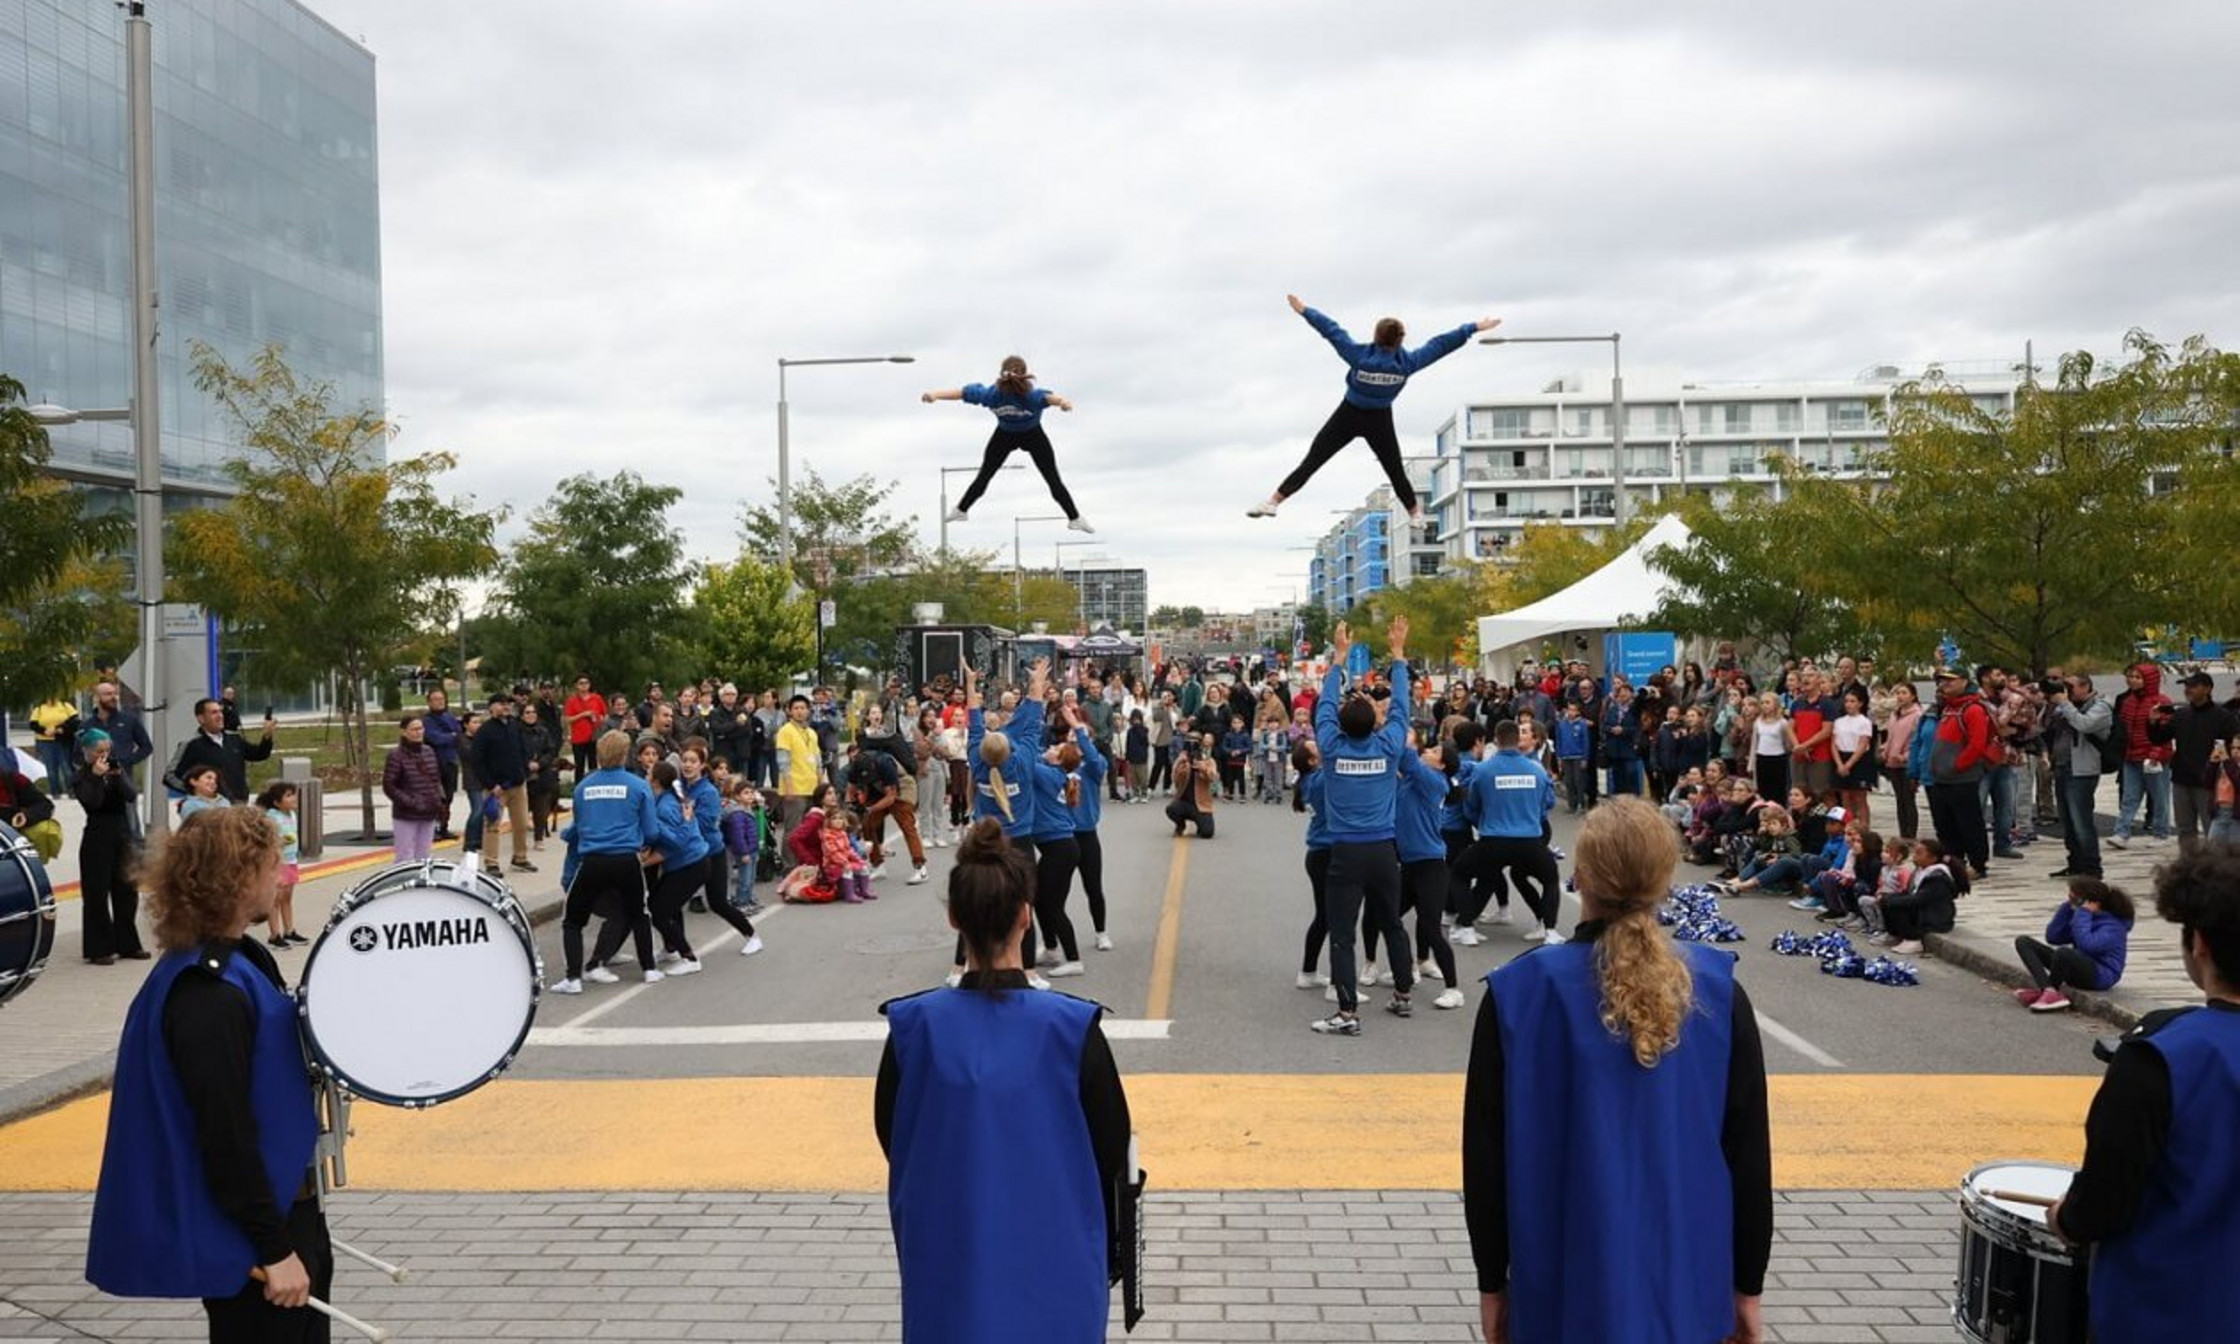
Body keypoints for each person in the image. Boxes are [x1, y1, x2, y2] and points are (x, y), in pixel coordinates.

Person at [1463, 797, 1771, 1344]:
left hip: (1561, 1281)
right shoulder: (1718, 994)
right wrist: (1747, 1284)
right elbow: (1748, 1156)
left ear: (1579, 877)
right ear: (1665, 881)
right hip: (1687, 1283)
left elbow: (1485, 1160)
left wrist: (1493, 1282)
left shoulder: (1518, 994)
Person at [875, 818, 1132, 1343]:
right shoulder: (1073, 1028)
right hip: (1056, 1256)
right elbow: (1114, 1154)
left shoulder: (912, 1027)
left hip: (948, 1256)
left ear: (953, 918)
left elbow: (895, 1137)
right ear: (1026, 915)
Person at [86, 805, 332, 1341]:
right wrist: (275, 1248)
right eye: (273, 865)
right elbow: (224, 1136)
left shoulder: (238, 959)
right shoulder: (207, 993)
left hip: (282, 1216)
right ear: (239, 876)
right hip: (257, 1237)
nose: (284, 876)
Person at [2048, 846, 2240, 1343]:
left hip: (2169, 1313)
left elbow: (2102, 1203)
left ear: (2199, 944)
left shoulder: (2158, 1056)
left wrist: (2066, 1217)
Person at [1248, 295, 1498, 521]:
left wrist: (1305, 311)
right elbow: (1441, 345)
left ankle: (1273, 501)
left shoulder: (1359, 356)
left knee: (1313, 461)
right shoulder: (1407, 363)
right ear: (1400, 340)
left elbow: (1332, 331)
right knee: (1394, 470)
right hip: (1379, 419)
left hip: (1348, 414)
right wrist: (1472, 328)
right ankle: (1415, 514)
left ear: (1376, 337)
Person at [1310, 618, 1416, 1035]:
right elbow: (1403, 706)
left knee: (1342, 934)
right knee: (1391, 922)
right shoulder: (1389, 746)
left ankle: (1348, 1012)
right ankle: (1404, 994)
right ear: (1374, 724)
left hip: (1345, 852)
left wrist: (1338, 658)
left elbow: (1323, 706)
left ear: (1339, 725)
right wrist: (1398, 654)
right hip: (1384, 850)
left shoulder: (1332, 748)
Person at [549, 730, 664, 995]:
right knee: (639, 913)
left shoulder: (583, 787)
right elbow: (651, 831)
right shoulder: (638, 786)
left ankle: (573, 978)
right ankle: (648, 969)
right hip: (626, 859)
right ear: (625, 755)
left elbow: (578, 826)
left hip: (593, 860)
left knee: (573, 920)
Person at [927, 356, 1093, 533]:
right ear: (1024, 374)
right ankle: (1074, 518)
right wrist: (1063, 403)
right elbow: (1051, 398)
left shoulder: (1011, 395)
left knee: (985, 475)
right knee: (1052, 480)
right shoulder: (997, 394)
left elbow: (961, 393)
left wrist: (935, 394)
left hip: (1021, 435)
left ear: (1001, 374)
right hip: (1016, 435)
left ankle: (961, 510)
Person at [71, 729, 147, 966]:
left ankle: (128, 943)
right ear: (87, 752)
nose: (104, 756)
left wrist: (118, 775)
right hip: (97, 835)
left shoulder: (115, 769)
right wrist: (95, 776)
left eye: (107, 751)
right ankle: (99, 947)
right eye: (99, 752)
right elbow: (92, 801)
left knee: (126, 890)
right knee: (96, 892)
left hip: (121, 833)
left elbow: (131, 795)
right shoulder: (81, 776)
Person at [2149, 670, 2237, 853]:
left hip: (2209, 782)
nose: (2188, 690)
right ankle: (2188, 869)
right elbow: (2159, 738)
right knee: (2185, 829)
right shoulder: (2181, 715)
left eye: (2193, 686)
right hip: (2181, 779)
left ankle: (2216, 870)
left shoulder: (2223, 717)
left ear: (2207, 689)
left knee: (2211, 830)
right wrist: (2153, 723)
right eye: (2186, 686)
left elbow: (2234, 746)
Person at [1926, 667, 1993, 884]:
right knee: (1945, 825)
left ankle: (1978, 864)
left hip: (1961, 779)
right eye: (1941, 681)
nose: (1944, 685)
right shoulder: (1947, 708)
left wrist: (1957, 766)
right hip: (1940, 778)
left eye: (1950, 681)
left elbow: (1977, 744)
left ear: (1964, 681)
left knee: (1969, 823)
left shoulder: (1972, 709)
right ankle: (1954, 863)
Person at [2047, 674, 2115, 879]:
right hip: (2062, 767)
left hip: (2083, 771)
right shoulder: (2065, 706)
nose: (2065, 690)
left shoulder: (2101, 706)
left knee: (2081, 822)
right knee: (2068, 822)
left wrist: (2065, 703)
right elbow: (2045, 727)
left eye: (2070, 686)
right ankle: (2075, 863)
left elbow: (2084, 725)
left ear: (2086, 687)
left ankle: (2093, 869)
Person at [2109, 661, 2174, 848]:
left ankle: (2161, 833)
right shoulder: (2128, 702)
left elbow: (2165, 731)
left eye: (2138, 677)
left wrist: (2156, 752)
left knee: (2159, 796)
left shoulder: (2162, 701)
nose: (2133, 681)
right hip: (2131, 756)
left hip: (2154, 757)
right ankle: (2122, 832)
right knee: (2129, 796)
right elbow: (2123, 729)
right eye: (2131, 677)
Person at [164, 698, 277, 805]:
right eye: (214, 713)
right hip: (211, 809)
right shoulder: (192, 745)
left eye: (220, 712)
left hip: (239, 804)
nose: (220, 716)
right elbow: (170, 776)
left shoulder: (234, 739)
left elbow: (260, 754)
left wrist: (267, 736)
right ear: (201, 718)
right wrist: (196, 790)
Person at [471, 694, 535, 876]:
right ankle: (491, 863)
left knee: (522, 824)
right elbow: (477, 761)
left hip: (518, 785)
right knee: (492, 825)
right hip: (496, 789)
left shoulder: (515, 725)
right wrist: (491, 785)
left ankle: (520, 858)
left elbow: (523, 750)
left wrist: (524, 772)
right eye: (501, 704)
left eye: (508, 704)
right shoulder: (485, 731)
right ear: (491, 707)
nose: (506, 707)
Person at [381, 715, 446, 864]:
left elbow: (436, 779)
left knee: (423, 854)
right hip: (406, 814)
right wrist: (410, 802)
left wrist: (439, 799)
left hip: (429, 811)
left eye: (421, 728)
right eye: (414, 729)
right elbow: (389, 785)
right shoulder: (396, 755)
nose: (418, 732)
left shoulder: (429, 751)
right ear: (404, 732)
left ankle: (421, 883)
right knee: (405, 855)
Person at [254, 783, 304, 950]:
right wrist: (280, 842)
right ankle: (275, 934)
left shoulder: (292, 814)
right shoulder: (271, 817)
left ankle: (289, 930)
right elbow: (265, 839)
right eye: (288, 796)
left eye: (293, 794)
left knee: (287, 897)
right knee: (275, 899)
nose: (293, 798)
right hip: (277, 862)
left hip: (291, 860)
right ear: (277, 802)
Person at [774, 695, 822, 832]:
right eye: (796, 708)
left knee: (810, 830)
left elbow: (818, 760)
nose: (799, 711)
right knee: (793, 829)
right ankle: (787, 855)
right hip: (795, 789)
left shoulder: (811, 733)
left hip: (812, 788)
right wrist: (789, 788)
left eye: (802, 708)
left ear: (808, 711)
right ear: (789, 711)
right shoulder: (785, 731)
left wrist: (821, 784)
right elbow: (783, 762)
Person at [422, 689, 463, 840]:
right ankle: (433, 829)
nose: (439, 702)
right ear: (429, 702)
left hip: (450, 762)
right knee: (436, 797)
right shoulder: (427, 721)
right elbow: (435, 738)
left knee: (449, 796)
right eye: (435, 699)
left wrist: (451, 736)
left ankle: (444, 827)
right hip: (434, 764)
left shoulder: (449, 717)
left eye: (441, 699)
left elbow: (459, 734)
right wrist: (450, 736)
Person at [563, 675, 603, 780]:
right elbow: (567, 719)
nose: (584, 686)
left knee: (593, 763)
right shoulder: (572, 701)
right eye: (581, 683)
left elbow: (604, 714)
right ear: (576, 686)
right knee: (579, 764)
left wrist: (598, 720)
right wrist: (583, 715)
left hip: (594, 736)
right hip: (578, 738)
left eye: (586, 683)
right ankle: (578, 787)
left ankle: (594, 785)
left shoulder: (596, 698)